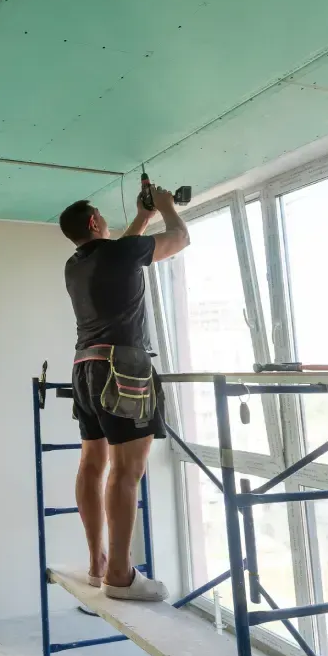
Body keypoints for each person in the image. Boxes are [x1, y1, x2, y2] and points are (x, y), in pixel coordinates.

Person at [58, 184, 189, 601]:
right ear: (96, 222)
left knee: (92, 464)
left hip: (85, 367)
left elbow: (122, 249)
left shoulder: (75, 265)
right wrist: (166, 208)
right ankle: (120, 574)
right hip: (123, 368)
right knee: (126, 470)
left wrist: (141, 218)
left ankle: (98, 562)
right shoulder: (120, 254)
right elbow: (180, 238)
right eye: (103, 216)